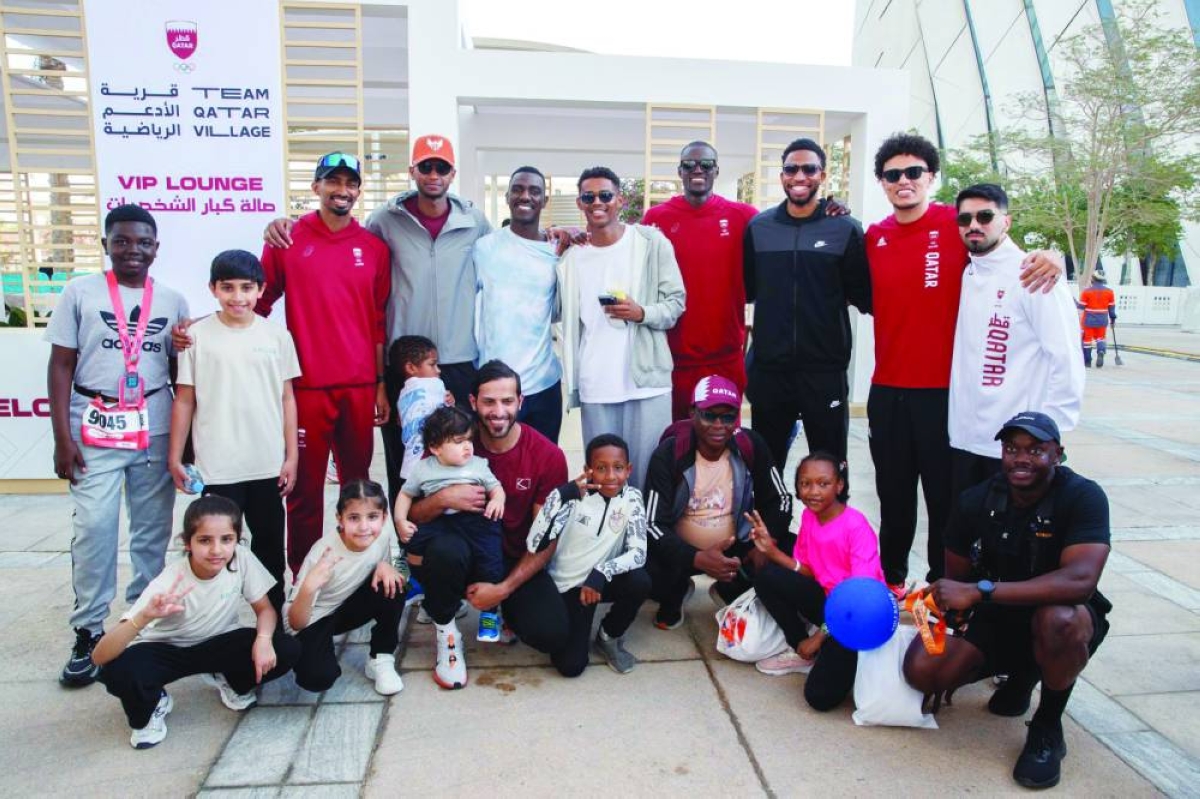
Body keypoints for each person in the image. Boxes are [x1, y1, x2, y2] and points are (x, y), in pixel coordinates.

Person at [865, 133, 1062, 594]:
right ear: (882, 182)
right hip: (887, 390)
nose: (904, 181)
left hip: (944, 396)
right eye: (893, 175)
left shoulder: (955, 227)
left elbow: (1005, 248)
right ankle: (891, 581)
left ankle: (941, 589)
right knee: (893, 498)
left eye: (914, 172)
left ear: (931, 177)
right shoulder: (873, 237)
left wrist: (1051, 256)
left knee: (944, 501)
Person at [902, 411, 1112, 790]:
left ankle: (1047, 726)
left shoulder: (1083, 496)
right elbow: (956, 580)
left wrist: (983, 591)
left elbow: (1080, 581)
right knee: (922, 670)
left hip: (1059, 616)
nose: (1021, 458)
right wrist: (935, 622)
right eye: (1012, 448)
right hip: (995, 617)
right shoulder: (976, 500)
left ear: (1058, 454)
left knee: (1059, 621)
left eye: (1036, 450)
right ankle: (1022, 674)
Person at [45, 204, 189, 687]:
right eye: (122, 241)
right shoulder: (79, 293)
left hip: (154, 422)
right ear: (106, 244)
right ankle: (88, 630)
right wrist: (62, 438)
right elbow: (61, 364)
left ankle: (141, 623)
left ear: (156, 248)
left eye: (143, 242)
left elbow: (177, 373)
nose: (133, 250)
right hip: (94, 424)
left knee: (152, 534)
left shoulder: (171, 300)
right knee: (95, 529)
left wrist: (182, 444)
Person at [407, 360, 569, 689]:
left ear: (520, 402)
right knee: (443, 550)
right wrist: (443, 499)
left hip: (511, 558)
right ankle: (447, 630)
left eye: (507, 401)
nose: (498, 411)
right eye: (489, 402)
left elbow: (546, 539)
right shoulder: (451, 442)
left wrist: (504, 588)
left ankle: (502, 609)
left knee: (553, 636)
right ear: (473, 402)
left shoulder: (547, 456)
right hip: (460, 551)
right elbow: (412, 517)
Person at [92, 495, 301, 749]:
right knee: (118, 671)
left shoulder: (240, 559)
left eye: (226, 539)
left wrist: (264, 639)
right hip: (168, 650)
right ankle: (154, 701)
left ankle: (232, 680)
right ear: (187, 543)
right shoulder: (169, 581)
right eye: (204, 540)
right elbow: (99, 657)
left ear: (237, 539)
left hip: (218, 641)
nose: (216, 550)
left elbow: (265, 609)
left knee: (286, 648)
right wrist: (143, 616)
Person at [168, 249, 300, 613]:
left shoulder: (277, 336)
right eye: (228, 288)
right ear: (213, 289)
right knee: (217, 549)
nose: (237, 297)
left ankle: (271, 618)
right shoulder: (196, 336)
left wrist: (291, 456)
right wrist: (175, 458)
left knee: (271, 546)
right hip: (217, 466)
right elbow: (184, 400)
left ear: (261, 290)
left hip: (266, 464)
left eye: (246, 287)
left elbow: (287, 399)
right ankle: (215, 620)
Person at [743, 138, 871, 486]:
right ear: (782, 175)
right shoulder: (759, 228)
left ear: (822, 175)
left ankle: (829, 540)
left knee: (829, 469)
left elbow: (863, 294)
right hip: (771, 372)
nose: (800, 175)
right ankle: (768, 538)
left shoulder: (844, 228)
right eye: (791, 169)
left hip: (824, 371)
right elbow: (749, 289)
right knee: (765, 471)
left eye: (809, 168)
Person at [948, 184, 1085, 499]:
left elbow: (1065, 356)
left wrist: (1049, 434)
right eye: (965, 219)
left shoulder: (1033, 274)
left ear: (1006, 221)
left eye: (985, 216)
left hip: (1017, 447)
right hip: (963, 440)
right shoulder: (967, 272)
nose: (974, 225)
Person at [558, 166, 686, 490]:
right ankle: (609, 541)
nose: (597, 202)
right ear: (580, 203)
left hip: (647, 381)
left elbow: (675, 304)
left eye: (605, 195)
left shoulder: (650, 242)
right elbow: (559, 313)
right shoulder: (573, 257)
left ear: (620, 199)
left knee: (648, 477)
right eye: (589, 196)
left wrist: (640, 312)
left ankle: (648, 541)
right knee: (604, 479)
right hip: (596, 382)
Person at [644, 375, 793, 630]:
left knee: (795, 552)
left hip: (737, 545)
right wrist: (696, 558)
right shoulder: (670, 452)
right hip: (682, 551)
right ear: (693, 412)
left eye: (727, 417)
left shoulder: (749, 444)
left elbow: (780, 499)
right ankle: (677, 591)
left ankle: (730, 588)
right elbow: (651, 523)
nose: (718, 425)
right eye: (709, 415)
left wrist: (766, 543)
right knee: (644, 566)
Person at [748, 452, 886, 711]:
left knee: (819, 698)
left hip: (856, 617)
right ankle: (801, 648)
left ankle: (842, 654)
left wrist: (820, 637)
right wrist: (771, 552)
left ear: (839, 485)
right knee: (766, 577)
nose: (813, 492)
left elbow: (859, 599)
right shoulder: (811, 518)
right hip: (830, 603)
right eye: (805, 483)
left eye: (823, 483)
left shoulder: (856, 526)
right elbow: (808, 570)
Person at [642, 142, 759, 420]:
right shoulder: (655, 218)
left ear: (716, 171)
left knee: (721, 441)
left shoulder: (743, 216)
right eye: (689, 165)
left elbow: (784, 228)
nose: (697, 170)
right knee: (675, 442)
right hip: (672, 357)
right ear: (679, 171)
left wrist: (827, 210)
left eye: (706, 164)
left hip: (725, 356)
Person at [526, 434, 651, 676]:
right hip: (570, 586)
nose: (611, 476)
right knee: (570, 666)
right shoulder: (574, 499)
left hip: (601, 579)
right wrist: (558, 496)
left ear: (629, 469)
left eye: (618, 468)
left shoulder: (633, 498)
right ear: (588, 469)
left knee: (640, 581)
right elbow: (534, 544)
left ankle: (609, 636)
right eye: (601, 468)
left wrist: (602, 571)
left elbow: (638, 553)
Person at [393, 405, 507, 661]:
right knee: (414, 541)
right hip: (440, 522)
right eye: (458, 442)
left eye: (468, 439)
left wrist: (496, 501)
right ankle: (422, 588)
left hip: (475, 522)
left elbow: (495, 487)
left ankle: (490, 613)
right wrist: (400, 520)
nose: (467, 446)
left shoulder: (478, 465)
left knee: (491, 561)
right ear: (435, 447)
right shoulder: (424, 468)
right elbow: (406, 494)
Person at [287, 480, 406, 696]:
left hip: (347, 605)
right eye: (353, 518)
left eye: (372, 517)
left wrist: (387, 565)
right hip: (312, 618)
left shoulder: (384, 531)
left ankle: (381, 657)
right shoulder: (323, 554)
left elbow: (402, 569)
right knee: (318, 678)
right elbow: (295, 621)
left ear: (384, 517)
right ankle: (313, 653)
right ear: (339, 519)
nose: (364, 527)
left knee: (394, 583)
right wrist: (309, 587)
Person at [473, 166, 563, 442]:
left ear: (544, 201)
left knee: (544, 472)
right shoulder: (484, 248)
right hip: (495, 386)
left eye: (534, 191)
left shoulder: (556, 252)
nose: (526, 196)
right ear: (507, 197)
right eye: (518, 189)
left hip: (543, 384)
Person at [389, 334, 452, 503]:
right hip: (433, 462)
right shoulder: (435, 384)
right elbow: (448, 419)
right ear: (411, 367)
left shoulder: (403, 395)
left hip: (410, 465)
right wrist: (449, 403)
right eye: (432, 364)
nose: (438, 370)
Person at [1077, 269, 1117, 368]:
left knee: (1087, 340)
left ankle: (1087, 361)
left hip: (1089, 320)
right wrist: (1113, 320)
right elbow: (1111, 309)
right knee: (1101, 338)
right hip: (1102, 319)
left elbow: (1081, 308)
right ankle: (1101, 352)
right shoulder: (1110, 292)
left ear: (1093, 279)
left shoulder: (1086, 292)